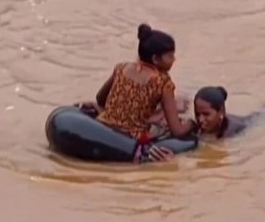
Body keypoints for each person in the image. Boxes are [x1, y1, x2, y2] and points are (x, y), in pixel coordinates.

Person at [81, 24, 193, 163]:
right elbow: (177, 131)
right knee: (173, 116)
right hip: (132, 138)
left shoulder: (121, 67)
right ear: (156, 59)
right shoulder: (163, 82)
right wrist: (191, 124)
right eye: (170, 56)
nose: (174, 60)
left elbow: (100, 99)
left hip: (103, 124)